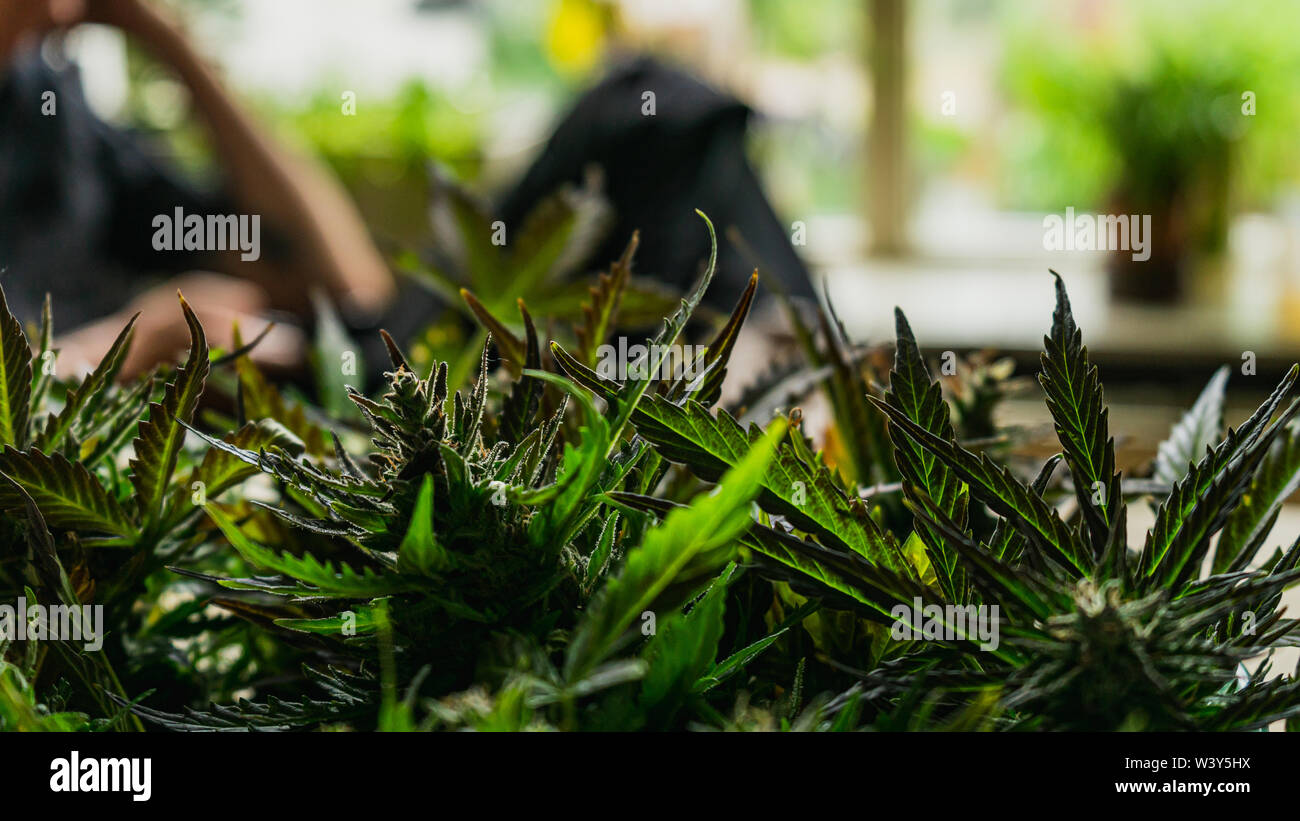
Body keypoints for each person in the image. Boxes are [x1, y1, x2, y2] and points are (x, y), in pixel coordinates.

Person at [0, 0, 396, 379]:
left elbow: (344, 289)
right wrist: (119, 353)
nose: (62, 11)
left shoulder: (50, 113)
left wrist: (164, 36)